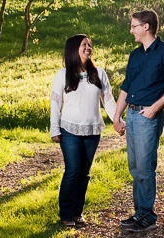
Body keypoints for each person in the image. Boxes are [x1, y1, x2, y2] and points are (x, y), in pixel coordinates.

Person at [113, 9, 164, 233]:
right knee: (135, 168)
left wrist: (154, 108)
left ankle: (148, 215)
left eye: (134, 26)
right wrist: (117, 116)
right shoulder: (135, 55)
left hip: (147, 116)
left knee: (145, 168)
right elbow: (126, 87)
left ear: (147, 27)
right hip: (131, 115)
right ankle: (139, 214)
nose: (131, 30)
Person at [50, 34, 123, 227]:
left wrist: (117, 120)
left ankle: (77, 212)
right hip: (69, 130)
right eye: (84, 44)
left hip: (93, 130)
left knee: (84, 173)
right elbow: (55, 103)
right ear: (74, 49)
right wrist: (54, 129)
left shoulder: (99, 73)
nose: (88, 47)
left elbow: (108, 100)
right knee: (72, 171)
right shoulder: (62, 74)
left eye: (89, 44)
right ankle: (66, 213)